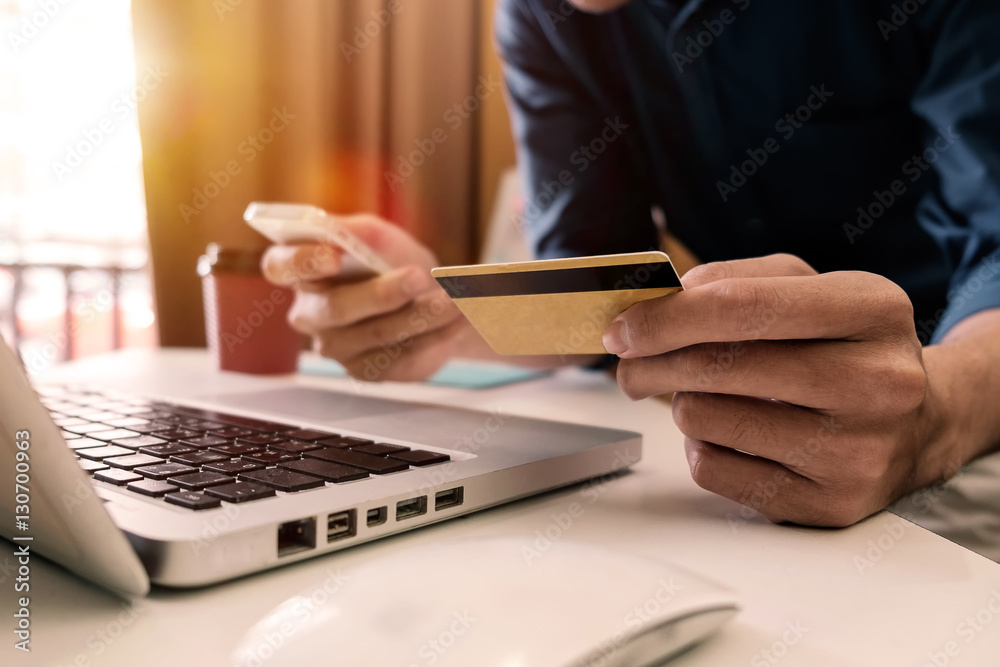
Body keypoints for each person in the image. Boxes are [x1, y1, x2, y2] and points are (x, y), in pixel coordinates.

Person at [262, 0, 1000, 555]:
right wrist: (444, 312)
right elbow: (598, 293)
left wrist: (935, 418)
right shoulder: (545, 16)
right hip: (739, 444)